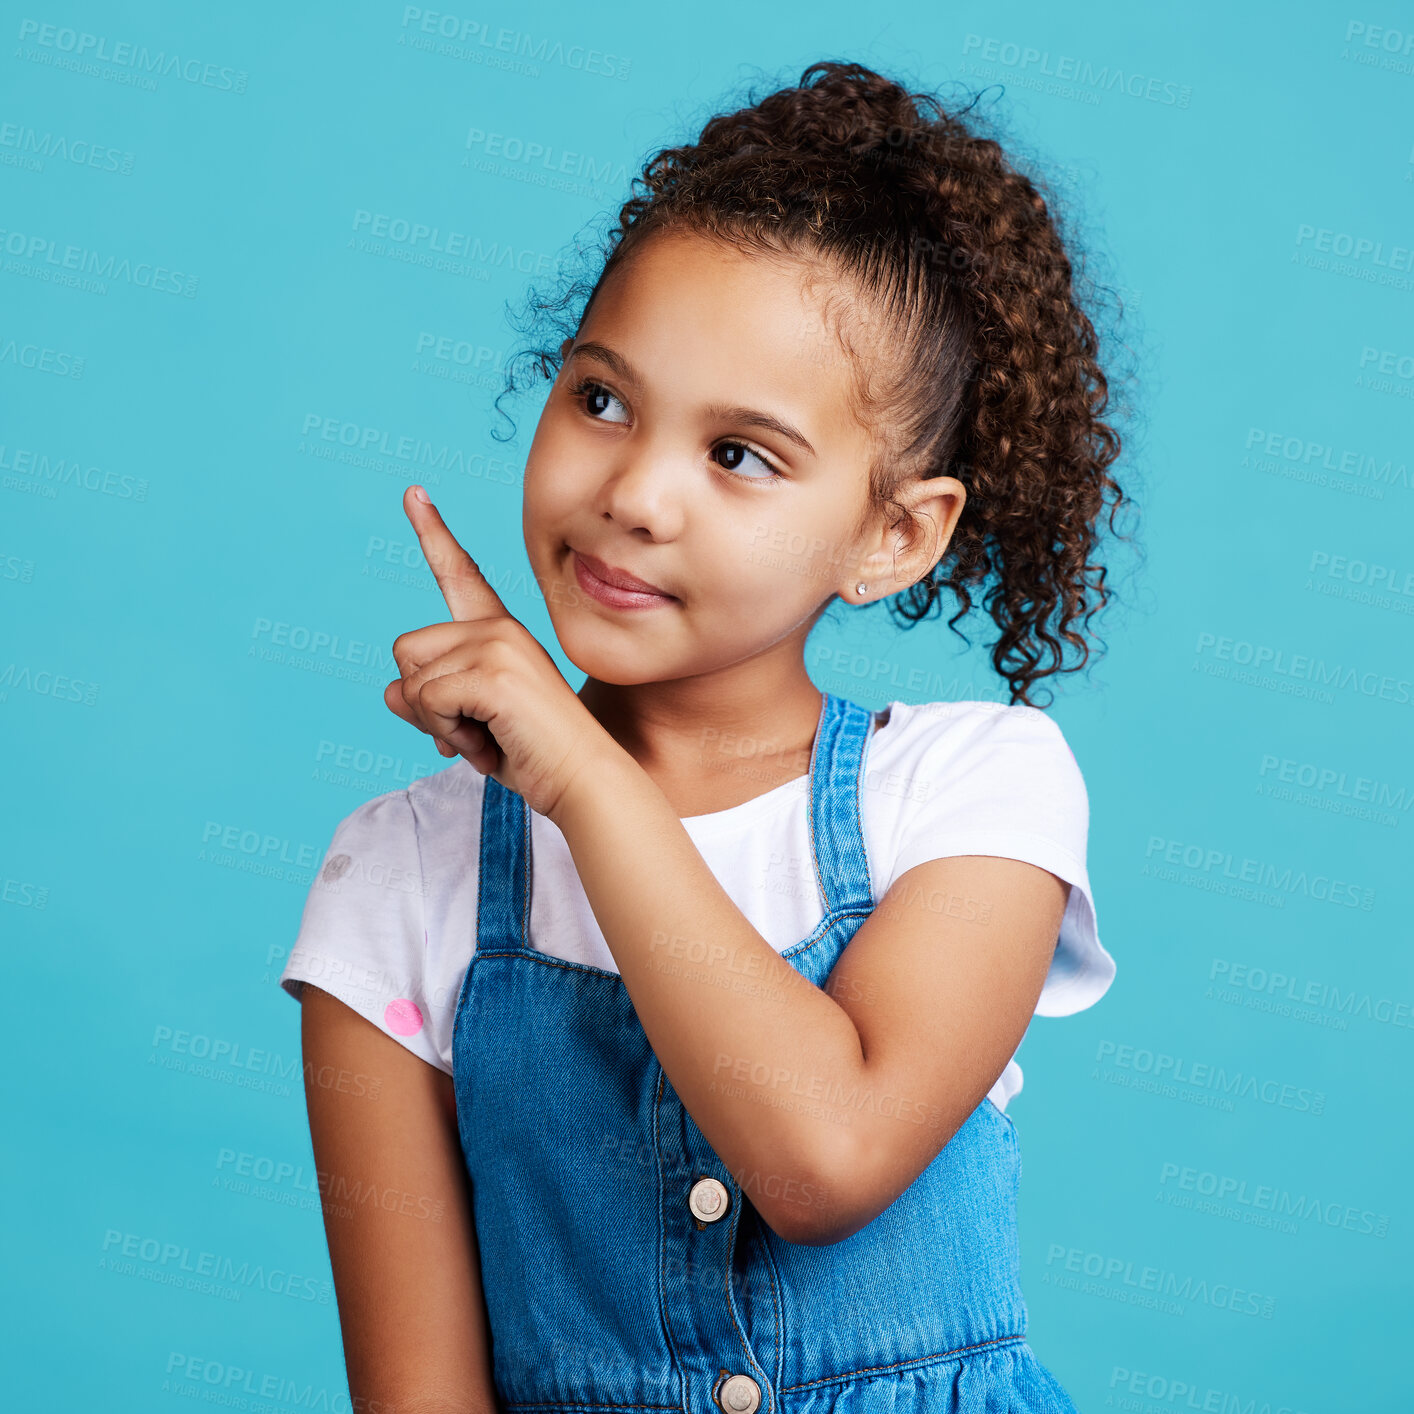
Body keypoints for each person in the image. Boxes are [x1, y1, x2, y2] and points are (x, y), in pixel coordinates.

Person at [281, 59, 1133, 1414]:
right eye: (603, 400)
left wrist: (587, 782)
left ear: (892, 534)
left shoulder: (972, 789)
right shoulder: (396, 879)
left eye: (738, 455)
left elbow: (822, 1156)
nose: (633, 493)